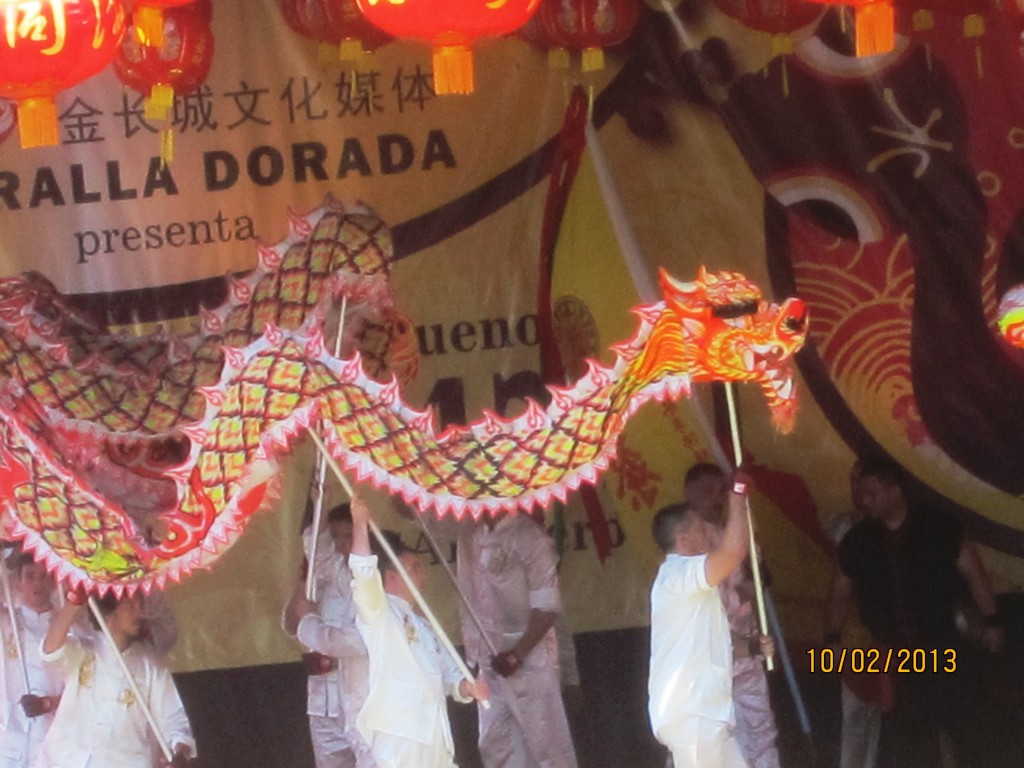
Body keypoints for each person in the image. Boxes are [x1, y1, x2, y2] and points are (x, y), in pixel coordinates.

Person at [823, 457, 1003, 768]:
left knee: (966, 726)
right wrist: (832, 637)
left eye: (871, 492)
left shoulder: (938, 525)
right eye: (861, 492)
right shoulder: (858, 540)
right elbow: (839, 590)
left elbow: (975, 573)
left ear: (895, 491)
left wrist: (991, 621)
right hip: (896, 651)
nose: (863, 500)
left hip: (945, 642)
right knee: (912, 734)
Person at [347, 494, 487, 767]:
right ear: (391, 576)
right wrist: (360, 525)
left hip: (433, 730)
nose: (423, 576)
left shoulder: (424, 625)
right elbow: (364, 578)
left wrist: (466, 687)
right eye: (414, 568)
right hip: (402, 734)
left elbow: (449, 673)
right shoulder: (381, 614)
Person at [454, 511, 578, 768]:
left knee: (546, 747)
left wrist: (518, 654)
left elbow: (547, 607)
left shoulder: (530, 537)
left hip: (528, 659)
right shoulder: (471, 529)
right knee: (495, 743)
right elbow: (419, 515)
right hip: (488, 661)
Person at [648, 469, 753, 768]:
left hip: (706, 714)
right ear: (683, 539)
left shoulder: (691, 581)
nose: (708, 529)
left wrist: (752, 647)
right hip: (692, 715)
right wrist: (738, 498)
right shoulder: (679, 574)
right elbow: (734, 551)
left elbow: (710, 641)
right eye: (699, 526)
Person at [683, 463, 779, 768]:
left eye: (719, 491)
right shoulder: (687, 544)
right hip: (709, 659)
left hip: (745, 654)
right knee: (710, 741)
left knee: (759, 731)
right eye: (707, 491)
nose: (716, 498)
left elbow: (759, 582)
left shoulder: (734, 532)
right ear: (689, 493)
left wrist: (756, 564)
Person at [37, 592, 195, 768]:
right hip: (65, 760)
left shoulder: (151, 666)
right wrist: (73, 601)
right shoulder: (83, 649)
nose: (140, 614)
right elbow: (50, 653)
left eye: (141, 606)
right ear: (108, 611)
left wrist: (181, 750)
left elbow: (172, 718)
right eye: (131, 606)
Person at [284, 503, 374, 768]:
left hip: (362, 698)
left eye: (349, 536)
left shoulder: (372, 584)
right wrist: (302, 583)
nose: (343, 545)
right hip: (323, 700)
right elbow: (292, 625)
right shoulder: (321, 577)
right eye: (336, 537)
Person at [822, 460, 882, 768]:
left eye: (864, 480)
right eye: (853, 479)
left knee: (884, 710)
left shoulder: (894, 525)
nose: (857, 487)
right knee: (857, 706)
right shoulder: (840, 526)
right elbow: (836, 585)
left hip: (888, 632)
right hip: (854, 631)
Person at [0, 553, 62, 768]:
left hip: (54, 738)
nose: (38, 583)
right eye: (30, 576)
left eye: (45, 576)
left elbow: (82, 689)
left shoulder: (71, 630)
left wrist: (49, 703)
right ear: (17, 583)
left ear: (54, 582)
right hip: (10, 737)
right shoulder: (7, 623)